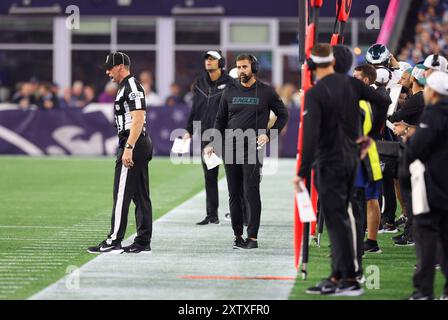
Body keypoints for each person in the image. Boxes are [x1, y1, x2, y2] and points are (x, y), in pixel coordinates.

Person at [294, 44, 366, 296]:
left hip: (330, 163)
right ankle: (339, 276)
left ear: (312, 66)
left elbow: (310, 137)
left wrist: (301, 172)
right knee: (340, 221)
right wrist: (368, 136)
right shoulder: (350, 86)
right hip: (350, 160)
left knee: (337, 222)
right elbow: (382, 101)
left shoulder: (316, 93)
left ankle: (348, 279)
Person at [205, 53, 288, 250]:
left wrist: (269, 134)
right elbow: (220, 120)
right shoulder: (229, 91)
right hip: (230, 148)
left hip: (252, 149)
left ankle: (253, 237)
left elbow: (283, 115)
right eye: (239, 67)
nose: (241, 71)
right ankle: (237, 236)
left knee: (251, 192)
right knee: (234, 194)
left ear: (254, 68)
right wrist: (213, 143)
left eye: (245, 67)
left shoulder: (266, 92)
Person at [88, 52, 153, 254]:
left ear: (121, 66)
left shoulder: (131, 85)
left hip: (133, 142)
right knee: (140, 195)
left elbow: (138, 118)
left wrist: (129, 147)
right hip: (136, 142)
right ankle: (143, 241)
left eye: (110, 67)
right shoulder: (124, 87)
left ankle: (114, 239)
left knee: (122, 192)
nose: (108, 72)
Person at [403, 71, 448, 300]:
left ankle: (424, 291)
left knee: (426, 237)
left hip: (435, 185)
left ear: (433, 92)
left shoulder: (434, 114)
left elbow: (417, 148)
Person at [183, 50, 234, 225]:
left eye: (212, 59)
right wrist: (189, 129)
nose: (208, 61)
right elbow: (195, 108)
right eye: (207, 58)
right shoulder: (200, 83)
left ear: (221, 62)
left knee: (234, 176)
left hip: (227, 135)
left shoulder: (231, 83)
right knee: (210, 176)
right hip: (206, 135)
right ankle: (212, 215)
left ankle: (240, 212)